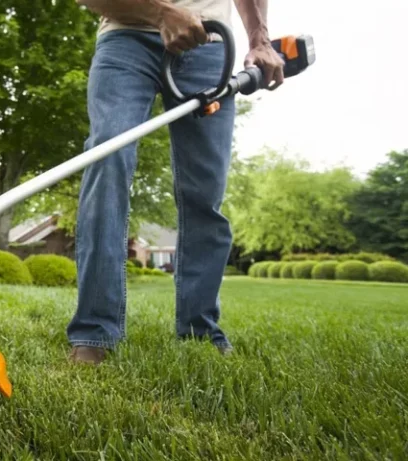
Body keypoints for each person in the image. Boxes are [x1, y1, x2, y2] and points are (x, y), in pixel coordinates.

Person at [67, 0, 285, 364]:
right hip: (125, 37)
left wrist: (260, 40)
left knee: (205, 190)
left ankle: (200, 330)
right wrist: (160, 13)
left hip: (209, 44)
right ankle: (94, 331)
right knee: (107, 164)